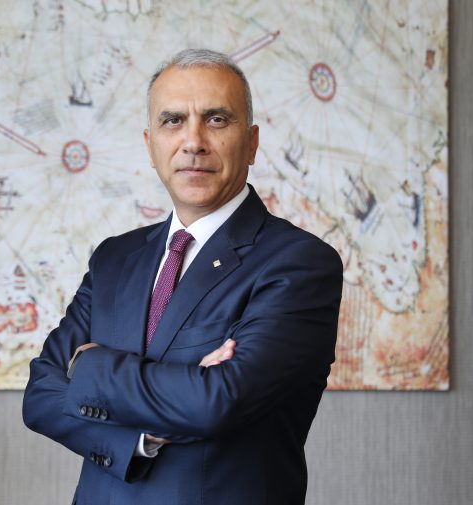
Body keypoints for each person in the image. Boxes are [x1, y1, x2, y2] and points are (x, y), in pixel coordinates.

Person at [22, 48, 343, 505]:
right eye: (173, 121)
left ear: (252, 142)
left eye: (216, 119)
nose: (193, 141)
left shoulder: (301, 263)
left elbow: (219, 401)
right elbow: (40, 396)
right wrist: (143, 437)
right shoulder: (114, 258)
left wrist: (89, 369)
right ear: (150, 144)